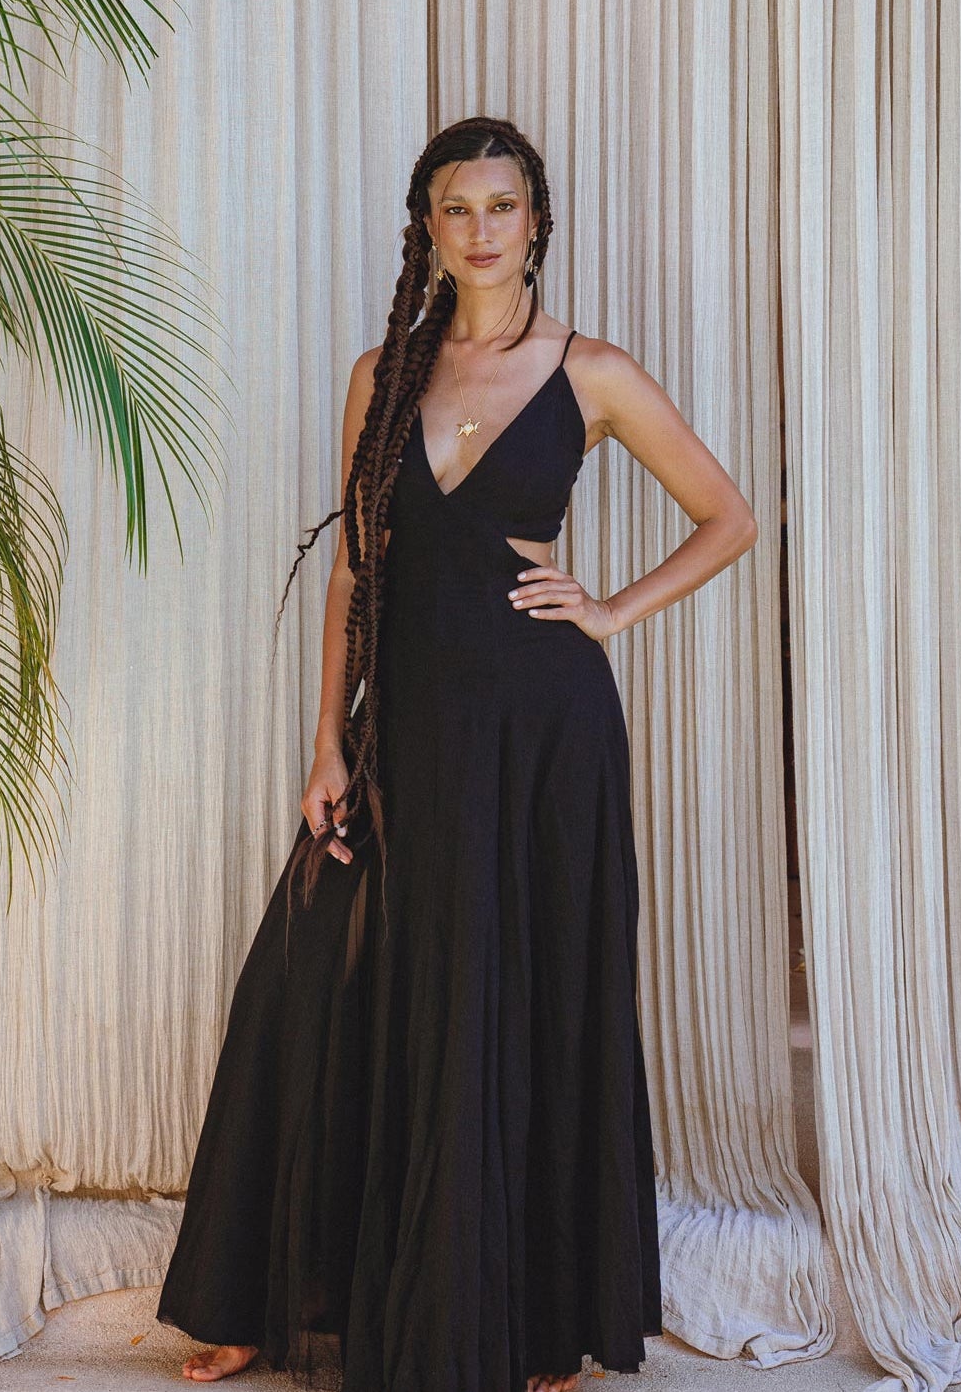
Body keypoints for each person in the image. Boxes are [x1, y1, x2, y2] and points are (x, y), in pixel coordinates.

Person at [155, 116, 759, 1390]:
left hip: (546, 735)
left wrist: (607, 608)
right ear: (426, 229)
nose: (480, 229)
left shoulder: (593, 372)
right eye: (455, 208)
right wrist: (329, 735)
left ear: (535, 218)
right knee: (314, 973)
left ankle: (538, 1318)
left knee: (525, 992)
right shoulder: (385, 373)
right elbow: (359, 574)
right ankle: (272, 1290)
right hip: (409, 727)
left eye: (501, 205)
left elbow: (729, 516)